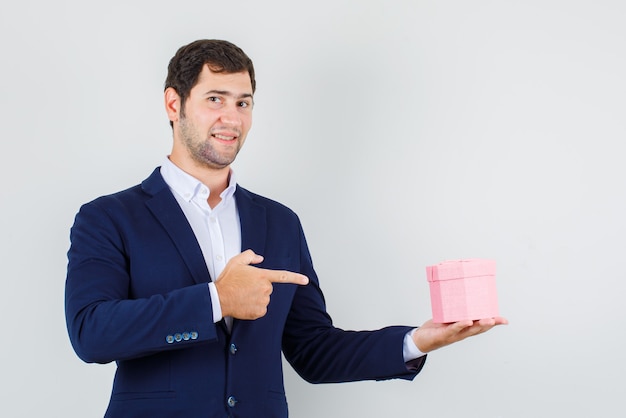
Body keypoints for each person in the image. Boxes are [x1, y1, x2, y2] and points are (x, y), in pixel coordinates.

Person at [65, 39, 507, 417]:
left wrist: (416, 341)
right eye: (214, 99)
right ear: (173, 104)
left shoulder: (279, 222)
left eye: (243, 103)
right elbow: (91, 333)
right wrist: (216, 299)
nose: (232, 118)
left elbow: (313, 351)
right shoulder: (108, 217)